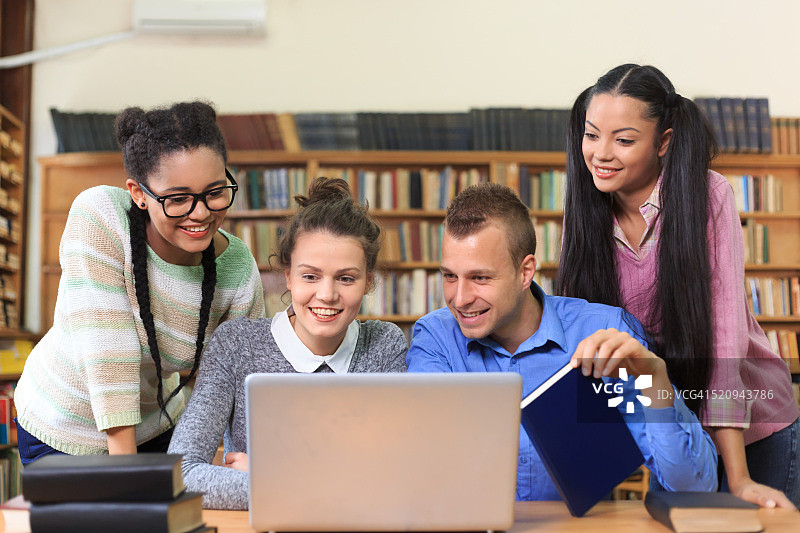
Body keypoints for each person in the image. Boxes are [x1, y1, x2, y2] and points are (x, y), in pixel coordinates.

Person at [557, 64, 799, 509]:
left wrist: (739, 479)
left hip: (751, 430)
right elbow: (583, 332)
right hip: (672, 427)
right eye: (591, 135)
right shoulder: (585, 210)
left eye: (623, 140)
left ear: (663, 142)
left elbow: (723, 341)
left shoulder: (708, 195)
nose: (601, 154)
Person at [406, 182, 717, 502]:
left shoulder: (605, 332)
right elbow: (423, 462)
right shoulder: (436, 339)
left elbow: (695, 489)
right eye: (449, 276)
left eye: (480, 278)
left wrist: (655, 380)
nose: (459, 299)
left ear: (525, 272)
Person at [14, 101, 265, 463]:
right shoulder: (101, 216)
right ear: (138, 194)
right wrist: (129, 477)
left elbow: (237, 380)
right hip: (62, 424)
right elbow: (109, 355)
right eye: (178, 198)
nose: (201, 213)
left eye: (214, 192)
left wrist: (237, 461)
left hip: (156, 426)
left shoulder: (237, 267)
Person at [168, 177, 408, 510]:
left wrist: (269, 475)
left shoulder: (385, 345)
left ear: (368, 282)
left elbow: (396, 476)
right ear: (288, 276)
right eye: (310, 276)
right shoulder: (235, 345)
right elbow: (182, 475)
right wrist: (338, 483)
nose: (327, 294)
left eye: (346, 278)